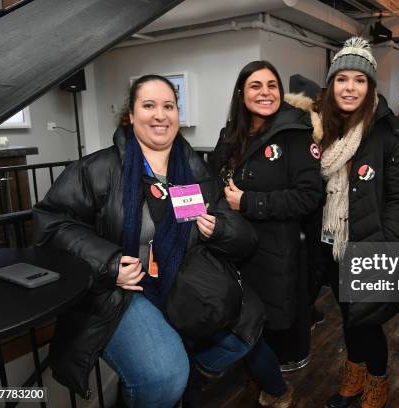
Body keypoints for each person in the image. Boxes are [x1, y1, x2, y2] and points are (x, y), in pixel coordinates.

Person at [33, 75, 258, 408]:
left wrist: (220, 229)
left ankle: (182, 380)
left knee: (246, 330)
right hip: (122, 292)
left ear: (177, 115)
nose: (160, 115)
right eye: (149, 105)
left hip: (183, 279)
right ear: (131, 115)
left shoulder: (195, 169)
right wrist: (108, 265)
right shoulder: (99, 168)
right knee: (163, 376)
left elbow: (243, 236)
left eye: (168, 106)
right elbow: (50, 223)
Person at [295, 37, 399, 408]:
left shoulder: (391, 132)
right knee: (349, 317)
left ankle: (377, 379)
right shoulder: (321, 131)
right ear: (331, 85)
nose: (350, 87)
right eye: (342, 79)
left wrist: (384, 245)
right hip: (328, 242)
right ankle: (355, 372)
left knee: (366, 319)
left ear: (370, 87)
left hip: (368, 243)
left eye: (359, 80)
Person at [209, 60, 323, 406]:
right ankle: (255, 377)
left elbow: (309, 196)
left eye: (272, 85)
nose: (265, 92)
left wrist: (250, 203)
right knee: (234, 316)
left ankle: (272, 385)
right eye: (256, 85)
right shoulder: (230, 135)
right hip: (229, 247)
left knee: (265, 323)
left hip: (272, 251)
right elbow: (213, 180)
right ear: (241, 94)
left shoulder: (296, 133)